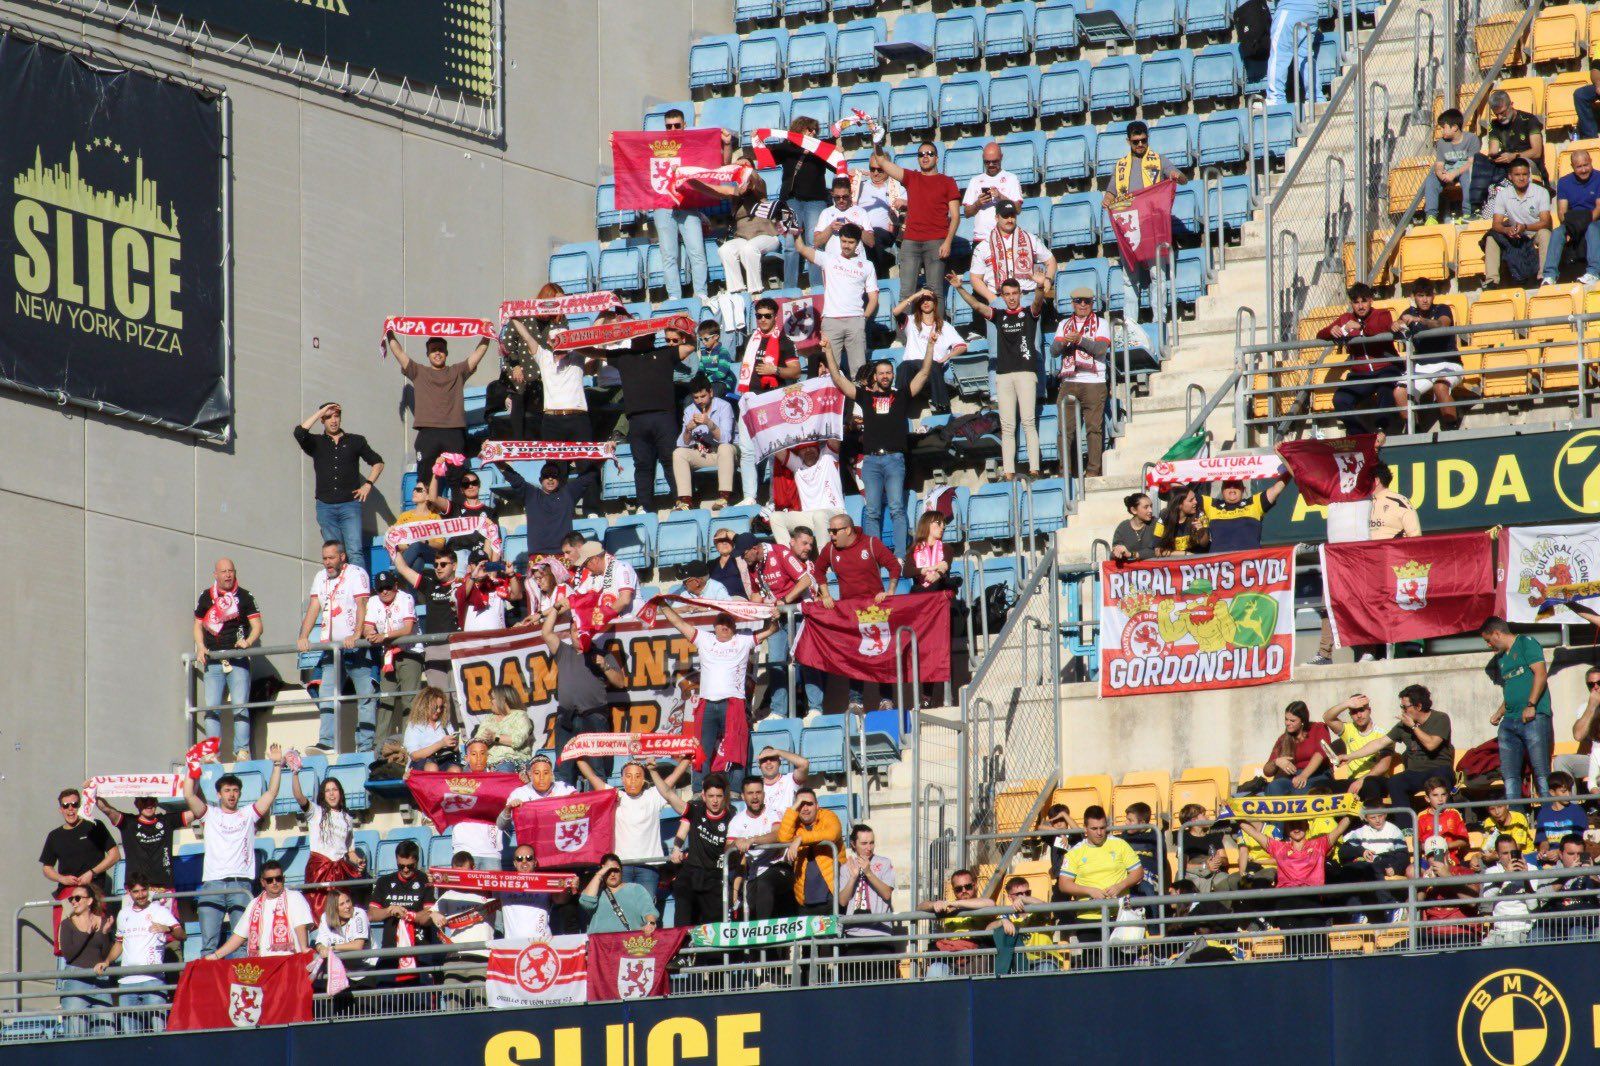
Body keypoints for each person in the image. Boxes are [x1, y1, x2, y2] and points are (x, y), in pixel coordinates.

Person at [820, 333, 932, 556]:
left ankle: (899, 556)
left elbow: (924, 373)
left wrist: (930, 346)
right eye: (881, 373)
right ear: (875, 377)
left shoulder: (901, 395)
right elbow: (838, 380)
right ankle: (874, 556)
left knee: (897, 509)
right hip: (871, 461)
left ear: (893, 375)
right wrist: (829, 352)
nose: (885, 376)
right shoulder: (865, 396)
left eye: (888, 373)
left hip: (894, 460)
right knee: (872, 511)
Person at [661, 603, 778, 790]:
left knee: (737, 750)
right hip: (706, 703)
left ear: (735, 627)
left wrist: (774, 617)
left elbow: (772, 629)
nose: (724, 626)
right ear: (714, 626)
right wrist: (663, 604)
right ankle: (700, 791)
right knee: (700, 751)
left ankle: (736, 791)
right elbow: (678, 622)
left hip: (734, 703)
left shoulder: (743, 640)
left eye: (729, 623)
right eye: (721, 622)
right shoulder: (704, 639)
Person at [181, 746, 284, 956]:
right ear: (219, 794)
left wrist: (276, 765)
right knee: (209, 945)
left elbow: (271, 793)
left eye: (235, 790)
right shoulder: (210, 813)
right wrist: (193, 767)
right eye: (227, 790)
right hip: (213, 884)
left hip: (240, 884)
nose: (231, 794)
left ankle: (240, 987)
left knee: (243, 944)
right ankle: (210, 987)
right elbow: (188, 794)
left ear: (240, 794)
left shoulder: (248, 814)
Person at [950, 273, 1050, 480]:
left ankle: (1034, 469)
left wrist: (1040, 286)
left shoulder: (1029, 312)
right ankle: (1008, 471)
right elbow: (978, 307)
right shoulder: (999, 315)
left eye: (1015, 293)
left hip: (1025, 373)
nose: (1012, 298)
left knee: (1029, 422)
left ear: (1021, 294)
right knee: (1007, 425)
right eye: (1007, 294)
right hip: (1004, 374)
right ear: (1002, 296)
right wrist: (960, 288)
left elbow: (1038, 302)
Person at [600, 323, 696, 513]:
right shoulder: (623, 356)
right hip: (636, 420)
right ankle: (645, 505)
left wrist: (686, 325)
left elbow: (691, 346)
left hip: (664, 418)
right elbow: (594, 352)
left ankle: (681, 501)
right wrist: (570, 343)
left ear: (651, 338)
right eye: (634, 336)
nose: (635, 338)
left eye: (640, 335)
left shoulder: (664, 353)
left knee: (670, 460)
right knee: (642, 465)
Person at [386, 329, 490, 499]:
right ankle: (425, 519)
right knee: (424, 479)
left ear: (446, 353)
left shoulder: (458, 371)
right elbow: (398, 352)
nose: (437, 353)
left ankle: (457, 516)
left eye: (441, 349)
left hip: (453, 433)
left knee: (457, 480)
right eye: (433, 350)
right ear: (428, 354)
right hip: (428, 433)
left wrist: (487, 333)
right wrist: (390, 332)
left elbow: (479, 353)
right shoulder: (418, 371)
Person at [1102, 121, 1190, 319]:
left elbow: (1183, 178)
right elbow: (1110, 191)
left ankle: (1160, 320)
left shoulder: (1158, 160)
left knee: (1157, 275)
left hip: (1153, 227)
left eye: (1143, 140)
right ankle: (1131, 325)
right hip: (1130, 228)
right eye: (1135, 142)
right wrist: (1107, 199)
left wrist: (1178, 176)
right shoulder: (1120, 166)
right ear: (1128, 141)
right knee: (1129, 278)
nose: (1140, 144)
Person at [296, 540, 376, 755]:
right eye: (324, 558)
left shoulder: (357, 573)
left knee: (365, 696)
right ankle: (326, 742)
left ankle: (366, 745)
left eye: (331, 558)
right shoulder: (320, 577)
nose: (327, 562)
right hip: (332, 649)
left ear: (342, 557)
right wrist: (303, 636)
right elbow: (314, 607)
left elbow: (362, 604)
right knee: (326, 693)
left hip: (355, 648)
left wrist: (357, 634)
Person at [540, 600, 630, 785]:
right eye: (574, 631)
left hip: (594, 716)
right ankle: (568, 808)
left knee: (597, 770)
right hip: (566, 717)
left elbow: (620, 683)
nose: (578, 635)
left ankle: (598, 807)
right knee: (564, 770)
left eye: (582, 631)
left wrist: (604, 666)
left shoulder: (602, 654)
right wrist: (556, 608)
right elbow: (546, 632)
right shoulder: (563, 651)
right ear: (569, 633)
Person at [578, 756, 689, 902]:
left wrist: (687, 759)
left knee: (647, 911)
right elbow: (591, 776)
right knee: (624, 911)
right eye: (628, 776)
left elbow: (674, 777)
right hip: (622, 866)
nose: (632, 780)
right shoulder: (616, 795)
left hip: (649, 867)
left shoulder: (654, 796)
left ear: (644, 779)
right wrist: (578, 756)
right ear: (622, 779)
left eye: (637, 776)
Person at [740, 530, 822, 719]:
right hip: (776, 617)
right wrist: (748, 608)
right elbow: (756, 595)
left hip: (798, 614)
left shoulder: (780, 552)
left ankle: (816, 708)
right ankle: (778, 711)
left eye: (744, 553)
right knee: (775, 662)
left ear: (755, 548)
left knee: (807, 659)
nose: (743, 558)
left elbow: (805, 580)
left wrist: (785, 600)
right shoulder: (752, 565)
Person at [294, 401, 384, 569]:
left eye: (336, 416)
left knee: (354, 551)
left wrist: (368, 484)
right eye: (328, 417)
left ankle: (360, 592)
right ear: (322, 420)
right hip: (325, 506)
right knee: (333, 554)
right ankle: (338, 592)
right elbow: (299, 432)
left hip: (350, 505)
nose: (333, 420)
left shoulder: (356, 441)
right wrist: (321, 412)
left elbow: (378, 462)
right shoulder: (316, 442)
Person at [1334, 684, 1454, 808]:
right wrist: (1350, 756)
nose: (1402, 710)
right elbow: (1380, 743)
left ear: (1418, 706)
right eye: (1401, 707)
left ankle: (1452, 819)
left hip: (1439, 769)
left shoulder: (1440, 718)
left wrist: (1413, 727)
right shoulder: (1403, 725)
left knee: (1442, 777)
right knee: (1395, 782)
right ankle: (1405, 826)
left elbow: (1431, 744)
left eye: (1405, 707)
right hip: (1415, 773)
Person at [193, 558, 265, 761]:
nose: (227, 575)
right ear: (215, 575)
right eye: (223, 571)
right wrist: (200, 647)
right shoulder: (206, 596)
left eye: (230, 571)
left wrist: (248, 642)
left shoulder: (244, 596)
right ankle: (211, 752)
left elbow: (257, 625)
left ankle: (241, 751)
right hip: (213, 660)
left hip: (238, 659)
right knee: (211, 707)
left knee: (240, 706)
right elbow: (197, 625)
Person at [734, 298, 803, 504]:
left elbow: (797, 371)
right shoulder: (749, 339)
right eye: (759, 316)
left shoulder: (784, 341)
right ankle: (749, 496)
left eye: (767, 316)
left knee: (775, 452)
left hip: (772, 399)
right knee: (746, 450)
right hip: (748, 398)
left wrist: (775, 370)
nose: (763, 320)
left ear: (775, 316)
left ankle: (775, 497)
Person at [1056, 806, 1144, 964]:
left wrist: (1120, 886)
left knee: (1123, 964)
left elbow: (1138, 872)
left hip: (1120, 915)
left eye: (1103, 828)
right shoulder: (1075, 852)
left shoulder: (1120, 844)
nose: (1099, 832)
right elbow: (1063, 884)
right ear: (1085, 829)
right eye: (1094, 828)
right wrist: (1090, 891)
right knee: (1094, 964)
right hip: (1088, 917)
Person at [873, 141, 960, 300]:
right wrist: (877, 142)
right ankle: (906, 325)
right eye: (921, 154)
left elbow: (955, 216)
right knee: (906, 293)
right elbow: (881, 161)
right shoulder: (911, 177)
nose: (925, 157)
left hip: (936, 241)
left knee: (935, 293)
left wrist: (947, 242)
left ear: (937, 158)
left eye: (929, 153)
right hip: (911, 242)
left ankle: (938, 326)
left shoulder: (948, 182)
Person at [1315, 283, 1401, 437]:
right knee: (1340, 399)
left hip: (1385, 368)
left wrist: (1360, 327)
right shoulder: (1346, 319)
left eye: (1364, 301)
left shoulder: (1382, 314)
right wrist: (1333, 330)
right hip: (1360, 374)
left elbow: (1376, 329)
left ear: (1371, 301)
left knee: (1385, 389)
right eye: (1356, 302)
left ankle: (1381, 429)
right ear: (1351, 304)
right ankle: (1358, 434)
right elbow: (1320, 334)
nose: (1360, 306)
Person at [644, 109, 714, 299]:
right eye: (669, 126)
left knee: (697, 251)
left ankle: (701, 293)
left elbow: (711, 159)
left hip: (688, 205)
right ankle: (674, 296)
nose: (673, 129)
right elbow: (633, 156)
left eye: (676, 125)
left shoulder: (694, 146)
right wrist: (615, 145)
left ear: (684, 125)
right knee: (669, 255)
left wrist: (723, 140)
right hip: (663, 205)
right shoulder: (655, 146)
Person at [1482, 616, 1553, 801]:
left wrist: (1531, 705)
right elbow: (1511, 690)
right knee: (1510, 774)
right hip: (1510, 721)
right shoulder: (1501, 658)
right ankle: (1515, 815)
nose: (1488, 645)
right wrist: (1499, 713)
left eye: (1488, 640)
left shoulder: (1526, 643)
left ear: (1497, 633)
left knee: (1541, 771)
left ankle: (1548, 813)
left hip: (1533, 717)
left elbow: (1541, 673)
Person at [796, 222, 878, 378]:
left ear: (858, 243)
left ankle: (856, 403)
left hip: (856, 320)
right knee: (828, 371)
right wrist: (796, 233)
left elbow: (873, 297)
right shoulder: (828, 259)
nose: (846, 246)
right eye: (844, 241)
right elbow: (801, 248)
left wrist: (863, 318)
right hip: (831, 321)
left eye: (851, 242)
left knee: (859, 372)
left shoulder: (867, 265)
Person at [764, 116, 837, 290]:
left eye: (815, 131)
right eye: (809, 129)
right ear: (799, 130)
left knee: (815, 243)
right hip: (792, 201)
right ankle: (789, 288)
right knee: (790, 245)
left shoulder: (820, 150)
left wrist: (829, 147)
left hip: (816, 202)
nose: (813, 133)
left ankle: (818, 287)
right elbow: (768, 157)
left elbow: (835, 166)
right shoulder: (788, 148)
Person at [105, 874, 181, 1033]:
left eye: (143, 890)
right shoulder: (123, 914)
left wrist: (167, 929)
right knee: (131, 1036)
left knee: (160, 1033)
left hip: (153, 980)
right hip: (126, 982)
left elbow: (182, 934)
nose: (140, 895)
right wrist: (107, 961)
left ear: (149, 890)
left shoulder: (159, 910)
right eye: (136, 891)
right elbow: (119, 943)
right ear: (129, 893)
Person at [1053, 286, 1114, 478]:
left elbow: (1101, 350)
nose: (1082, 305)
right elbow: (1054, 351)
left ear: (1092, 303)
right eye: (1079, 301)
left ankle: (1093, 471)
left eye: (1087, 301)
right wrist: (1064, 341)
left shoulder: (1101, 323)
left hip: (1094, 382)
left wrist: (1080, 340)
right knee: (1065, 431)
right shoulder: (1064, 324)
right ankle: (1065, 474)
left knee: (1094, 429)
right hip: (1069, 380)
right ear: (1072, 303)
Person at [290, 773, 365, 922]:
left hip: (339, 871)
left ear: (341, 793)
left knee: (340, 913)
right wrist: (295, 774)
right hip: (319, 869)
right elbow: (299, 797)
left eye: (335, 789)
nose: (331, 793)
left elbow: (350, 850)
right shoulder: (316, 812)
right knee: (318, 911)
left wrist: (358, 862)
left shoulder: (348, 818)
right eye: (327, 790)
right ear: (323, 795)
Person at [205, 859, 312, 960]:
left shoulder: (295, 897)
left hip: (288, 960)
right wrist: (216, 955)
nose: (274, 882)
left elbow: (300, 925)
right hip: (261, 964)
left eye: (278, 879)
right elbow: (239, 936)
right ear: (263, 882)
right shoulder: (254, 904)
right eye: (270, 880)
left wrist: (304, 948)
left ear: (283, 879)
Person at [495, 460, 602, 560]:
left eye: (554, 476)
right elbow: (514, 478)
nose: (550, 479)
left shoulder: (568, 494)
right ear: (540, 480)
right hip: (537, 557)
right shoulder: (531, 494)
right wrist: (494, 458)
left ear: (559, 480)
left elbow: (589, 475)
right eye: (546, 476)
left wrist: (606, 455)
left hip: (564, 556)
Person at [1394, 278, 1463, 430]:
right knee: (1399, 392)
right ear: (1413, 297)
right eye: (1420, 295)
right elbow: (1396, 324)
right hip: (1423, 366)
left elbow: (1441, 324)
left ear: (1433, 296)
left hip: (1448, 362)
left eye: (1428, 295)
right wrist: (1397, 324)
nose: (1425, 300)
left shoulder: (1442, 309)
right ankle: (1415, 429)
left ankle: (1452, 427)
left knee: (1440, 387)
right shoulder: (1409, 312)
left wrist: (1419, 320)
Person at [665, 772, 733, 927]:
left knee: (712, 926)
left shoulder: (732, 815)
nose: (715, 801)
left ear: (725, 797)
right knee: (683, 920)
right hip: (692, 872)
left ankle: (711, 951)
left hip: (716, 876)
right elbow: (669, 796)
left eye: (719, 796)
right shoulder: (695, 809)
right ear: (703, 795)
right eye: (711, 796)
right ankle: (682, 948)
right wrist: (676, 848)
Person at [710, 153, 783, 296]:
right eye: (738, 167)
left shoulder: (760, 186)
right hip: (743, 237)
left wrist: (747, 170)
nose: (741, 169)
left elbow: (755, 178)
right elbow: (714, 190)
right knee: (725, 250)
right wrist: (689, 178)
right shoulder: (735, 191)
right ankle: (737, 291)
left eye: (745, 166)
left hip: (767, 236)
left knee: (749, 249)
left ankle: (756, 291)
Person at [393, 546, 464, 690]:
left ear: (454, 565)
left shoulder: (463, 585)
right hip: (433, 647)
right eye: (436, 564)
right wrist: (393, 547)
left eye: (443, 564)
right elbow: (403, 568)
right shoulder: (430, 585)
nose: (438, 568)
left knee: (459, 698)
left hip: (455, 644)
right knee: (438, 698)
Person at [364, 570, 421, 741]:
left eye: (388, 587)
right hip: (388, 655)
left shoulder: (406, 598)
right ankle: (380, 746)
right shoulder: (373, 601)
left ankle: (409, 744)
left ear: (395, 586)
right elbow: (368, 627)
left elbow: (408, 628)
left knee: (409, 701)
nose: (385, 592)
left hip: (410, 653)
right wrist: (370, 633)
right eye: (381, 589)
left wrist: (384, 636)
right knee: (386, 700)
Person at [891, 286, 966, 415]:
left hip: (933, 365)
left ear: (935, 303)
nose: (925, 302)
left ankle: (941, 407)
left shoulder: (945, 326)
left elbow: (962, 346)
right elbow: (896, 312)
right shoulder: (911, 320)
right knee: (902, 367)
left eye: (929, 299)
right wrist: (915, 295)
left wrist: (947, 357)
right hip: (912, 365)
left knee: (933, 366)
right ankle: (897, 407)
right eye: (922, 300)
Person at [1470, 89, 1548, 212]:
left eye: (1503, 113)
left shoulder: (1529, 120)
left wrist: (1514, 156)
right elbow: (1493, 150)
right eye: (1497, 114)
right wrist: (1495, 157)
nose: (1500, 117)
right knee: (1479, 159)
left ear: (1511, 105)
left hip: (1527, 162)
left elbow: (1537, 152)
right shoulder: (1495, 125)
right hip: (1506, 163)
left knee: (1519, 164)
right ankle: (1475, 207)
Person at [367, 840, 434, 982]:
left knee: (419, 1001)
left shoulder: (425, 881)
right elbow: (372, 914)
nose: (405, 870)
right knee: (386, 998)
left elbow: (429, 916)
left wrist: (409, 915)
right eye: (401, 866)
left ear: (416, 861)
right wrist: (390, 910)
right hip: (390, 950)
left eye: (410, 866)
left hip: (419, 949)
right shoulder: (384, 882)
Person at [92, 792, 188, 891]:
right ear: (136, 803)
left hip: (164, 887)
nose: (149, 804)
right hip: (136, 889)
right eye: (144, 800)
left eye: (152, 800)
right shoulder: (127, 822)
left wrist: (194, 786)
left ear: (156, 803)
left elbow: (199, 812)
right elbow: (105, 808)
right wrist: (92, 789)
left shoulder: (167, 821)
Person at [969, 200, 1055, 307]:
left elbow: (1050, 261)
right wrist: (992, 298)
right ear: (997, 218)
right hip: (999, 298)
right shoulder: (984, 245)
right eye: (1005, 216)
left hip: (1028, 296)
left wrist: (1048, 279)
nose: (1010, 219)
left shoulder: (1030, 238)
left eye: (1012, 216)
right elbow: (975, 278)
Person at [728, 776, 791, 923]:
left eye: (758, 792)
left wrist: (753, 840)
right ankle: (758, 942)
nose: (755, 797)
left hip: (778, 866)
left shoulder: (773, 813)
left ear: (763, 794)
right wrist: (735, 844)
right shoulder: (737, 821)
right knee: (750, 903)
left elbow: (777, 834)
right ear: (743, 796)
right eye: (750, 793)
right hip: (753, 872)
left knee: (764, 884)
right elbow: (727, 852)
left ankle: (764, 934)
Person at [57, 884, 116, 1037]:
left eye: (77, 898)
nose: (73, 902)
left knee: (106, 1030)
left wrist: (104, 933)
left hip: (100, 979)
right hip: (76, 978)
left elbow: (104, 955)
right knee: (76, 1031)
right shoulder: (67, 924)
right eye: (71, 899)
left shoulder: (103, 922)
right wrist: (87, 934)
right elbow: (69, 955)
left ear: (89, 901)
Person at [1484, 159, 1554, 287]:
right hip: (1515, 234)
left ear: (1529, 175)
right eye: (1517, 175)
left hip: (1535, 232)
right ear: (1510, 176)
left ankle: (1544, 276)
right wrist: (1507, 230)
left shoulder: (1541, 192)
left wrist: (1525, 227)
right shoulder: (1503, 195)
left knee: (1545, 233)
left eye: (1525, 174)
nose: (1521, 178)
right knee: (1491, 238)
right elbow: (1496, 224)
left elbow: (1545, 222)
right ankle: (1491, 281)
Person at [776, 787, 845, 916]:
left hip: (832, 894)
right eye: (801, 805)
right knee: (806, 937)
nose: (805, 808)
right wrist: (792, 810)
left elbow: (833, 834)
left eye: (809, 804)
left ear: (817, 806)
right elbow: (783, 837)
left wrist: (801, 839)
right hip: (804, 898)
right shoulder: (795, 823)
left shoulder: (828, 815)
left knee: (833, 936)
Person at [673, 375, 738, 511]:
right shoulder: (689, 410)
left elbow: (725, 438)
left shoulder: (724, 406)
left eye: (703, 396)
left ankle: (724, 498)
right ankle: (685, 501)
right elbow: (682, 443)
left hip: (728, 453)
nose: (700, 401)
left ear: (711, 392)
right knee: (678, 453)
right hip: (705, 453)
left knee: (724, 448)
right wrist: (688, 430)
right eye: (696, 397)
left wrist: (709, 423)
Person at [837, 824, 897, 970]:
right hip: (854, 933)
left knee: (883, 980)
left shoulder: (884, 863)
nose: (868, 847)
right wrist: (853, 878)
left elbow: (886, 893)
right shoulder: (846, 867)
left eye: (871, 842)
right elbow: (842, 901)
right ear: (853, 844)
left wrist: (869, 872)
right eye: (864, 843)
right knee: (854, 982)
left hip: (880, 932)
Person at [918, 870, 993, 977]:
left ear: (974, 886)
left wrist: (955, 903)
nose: (964, 891)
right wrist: (935, 904)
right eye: (958, 889)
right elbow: (920, 907)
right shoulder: (948, 907)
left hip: (974, 957)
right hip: (949, 958)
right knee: (935, 970)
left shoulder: (980, 904)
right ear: (954, 891)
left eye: (968, 887)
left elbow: (990, 903)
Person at [1543, 149, 1600, 286]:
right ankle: (1549, 275)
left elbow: (1598, 207)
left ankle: (1593, 272)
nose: (1583, 169)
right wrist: (1571, 226)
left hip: (1594, 219)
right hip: (1573, 220)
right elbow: (1562, 211)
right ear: (1572, 167)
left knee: (1592, 228)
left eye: (1586, 165)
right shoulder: (1564, 182)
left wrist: (1584, 223)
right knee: (1557, 232)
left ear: (1591, 162)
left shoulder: (1599, 178)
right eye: (1579, 167)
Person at [770, 445, 845, 544]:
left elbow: (835, 435)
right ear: (798, 452)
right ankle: (788, 557)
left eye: (812, 446)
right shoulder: (797, 465)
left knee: (820, 516)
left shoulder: (827, 457)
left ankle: (824, 557)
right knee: (775, 517)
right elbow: (775, 446)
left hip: (835, 512)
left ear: (818, 448)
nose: (808, 450)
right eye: (803, 448)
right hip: (809, 516)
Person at [1321, 694, 1395, 794]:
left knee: (1369, 785)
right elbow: (1327, 718)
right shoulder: (1348, 729)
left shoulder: (1384, 734)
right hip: (1353, 781)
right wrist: (1347, 703)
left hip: (1375, 779)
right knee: (1320, 786)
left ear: (1369, 710)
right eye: (1354, 712)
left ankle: (1373, 809)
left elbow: (1384, 765)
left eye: (1362, 710)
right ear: (1350, 714)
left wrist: (1362, 780)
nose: (1359, 715)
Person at [1201, 474, 1289, 554]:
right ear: (1222, 490)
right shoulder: (1211, 505)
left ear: (1243, 489)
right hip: (1219, 566)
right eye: (1228, 485)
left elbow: (1276, 489)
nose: (1232, 488)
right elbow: (1189, 495)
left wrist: (1292, 468)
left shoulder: (1254, 504)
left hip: (1249, 564)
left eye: (1236, 485)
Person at [1481, 834, 1542, 946]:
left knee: (1510, 942)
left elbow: (1533, 906)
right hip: (1499, 931)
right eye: (1505, 853)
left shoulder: (1531, 869)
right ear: (1498, 855)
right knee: (1485, 946)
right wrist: (1505, 876)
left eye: (1513, 852)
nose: (1510, 857)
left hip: (1524, 929)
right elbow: (1487, 900)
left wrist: (1525, 878)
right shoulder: (1492, 872)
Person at [1261, 701, 1333, 795]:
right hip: (1292, 778)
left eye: (1292, 721)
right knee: (1274, 786)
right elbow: (1267, 771)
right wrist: (1276, 762)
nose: (1288, 723)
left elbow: (1321, 753)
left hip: (1317, 774)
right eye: (1286, 719)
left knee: (1301, 790)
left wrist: (1304, 775)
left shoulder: (1318, 728)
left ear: (1302, 721)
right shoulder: (1283, 739)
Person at [1422, 108, 1480, 223]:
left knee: (1468, 176)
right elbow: (1439, 164)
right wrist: (1440, 173)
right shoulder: (1442, 143)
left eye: (1444, 127)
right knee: (1431, 180)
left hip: (1464, 169)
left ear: (1454, 127)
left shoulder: (1472, 139)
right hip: (1447, 170)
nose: (1442, 131)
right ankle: (1431, 217)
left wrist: (1454, 173)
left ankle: (1468, 213)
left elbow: (1471, 162)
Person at [852, 155, 907, 275]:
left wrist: (903, 203)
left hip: (885, 232)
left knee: (874, 234)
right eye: (872, 169)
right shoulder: (860, 186)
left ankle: (877, 276)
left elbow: (910, 205)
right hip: (860, 230)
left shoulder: (896, 188)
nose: (875, 173)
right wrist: (849, 178)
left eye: (880, 169)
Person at [962, 141, 1023, 247]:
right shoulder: (975, 181)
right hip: (981, 238)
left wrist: (1001, 197)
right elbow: (967, 213)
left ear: (1001, 157)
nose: (990, 165)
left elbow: (1017, 209)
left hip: (1005, 237)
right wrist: (978, 203)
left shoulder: (1011, 178)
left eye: (994, 161)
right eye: (987, 162)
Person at [313, 889, 372, 999]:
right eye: (342, 904)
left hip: (366, 970)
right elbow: (320, 942)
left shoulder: (359, 913)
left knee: (366, 1012)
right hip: (341, 973)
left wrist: (332, 947)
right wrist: (321, 948)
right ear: (334, 909)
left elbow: (357, 945)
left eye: (348, 901)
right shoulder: (326, 918)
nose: (347, 906)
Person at [580, 854, 660, 933]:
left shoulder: (636, 889)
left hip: (629, 942)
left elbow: (649, 910)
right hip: (601, 943)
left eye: (615, 870)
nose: (612, 874)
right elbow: (587, 903)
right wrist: (600, 874)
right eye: (608, 871)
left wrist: (651, 923)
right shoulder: (595, 892)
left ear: (621, 871)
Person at [1175, 805, 1239, 894]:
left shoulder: (1214, 837)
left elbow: (1225, 860)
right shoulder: (1183, 838)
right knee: (1186, 881)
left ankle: (1223, 907)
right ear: (1194, 820)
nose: (1208, 817)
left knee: (1223, 880)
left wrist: (1218, 860)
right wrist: (1205, 866)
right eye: (1204, 815)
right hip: (1195, 873)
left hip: (1215, 873)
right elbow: (1183, 864)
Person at [473, 684, 534, 774]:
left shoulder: (520, 716)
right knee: (468, 771)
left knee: (504, 768)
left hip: (512, 761)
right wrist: (485, 741)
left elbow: (517, 740)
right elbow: (477, 740)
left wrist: (495, 738)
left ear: (503, 699)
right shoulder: (488, 718)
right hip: (487, 762)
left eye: (492, 698)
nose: (490, 701)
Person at [1266, 0, 1317, 105]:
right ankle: (1315, 98)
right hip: (1312, 9)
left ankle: (1275, 98)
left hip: (1290, 8)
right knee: (1305, 57)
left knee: (1279, 54)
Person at [498, 845, 553, 942]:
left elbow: (561, 900)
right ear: (515, 863)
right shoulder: (503, 884)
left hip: (541, 942)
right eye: (519, 859)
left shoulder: (545, 882)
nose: (524, 862)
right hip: (513, 944)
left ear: (535, 862)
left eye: (529, 858)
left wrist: (570, 884)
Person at [814, 175, 875, 258]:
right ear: (832, 194)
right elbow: (816, 242)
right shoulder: (826, 213)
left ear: (850, 193)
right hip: (833, 264)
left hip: (856, 263)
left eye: (845, 197)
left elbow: (871, 242)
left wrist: (858, 229)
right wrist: (830, 228)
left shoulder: (861, 212)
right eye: (837, 197)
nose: (841, 200)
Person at [403, 685, 461, 771]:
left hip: (444, 759)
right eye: (435, 707)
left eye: (440, 707)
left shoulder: (445, 723)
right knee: (432, 768)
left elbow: (455, 749)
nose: (438, 711)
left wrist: (454, 744)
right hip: (421, 762)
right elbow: (415, 756)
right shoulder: (414, 725)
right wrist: (441, 744)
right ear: (425, 706)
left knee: (455, 770)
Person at [1533, 772, 1588, 861]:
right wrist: (1543, 851)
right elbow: (1543, 840)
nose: (1568, 794)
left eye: (1569, 790)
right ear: (1552, 792)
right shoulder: (1544, 812)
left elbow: (1579, 843)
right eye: (1563, 791)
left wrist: (1559, 853)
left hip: (1572, 857)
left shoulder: (1578, 811)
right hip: (1549, 857)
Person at [1561, 666, 1600, 788]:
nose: (1596, 687)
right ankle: (1571, 806)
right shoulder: (1585, 708)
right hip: (1594, 757)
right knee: (1562, 761)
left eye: (1599, 683)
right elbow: (1578, 735)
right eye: (1591, 684)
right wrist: (1592, 707)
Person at [1416, 777, 1469, 863]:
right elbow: (1416, 843)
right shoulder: (1421, 816)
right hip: (1428, 858)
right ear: (1427, 798)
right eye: (1435, 795)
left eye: (1443, 794)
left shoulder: (1453, 814)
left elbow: (1464, 841)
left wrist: (1444, 845)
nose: (1440, 799)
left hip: (1449, 858)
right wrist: (1428, 846)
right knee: (1410, 871)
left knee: (1439, 864)